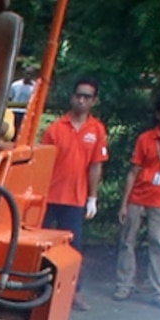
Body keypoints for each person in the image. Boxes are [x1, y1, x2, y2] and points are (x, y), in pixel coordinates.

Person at [112, 95, 160, 306]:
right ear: (158, 114)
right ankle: (124, 285)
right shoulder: (146, 138)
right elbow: (133, 171)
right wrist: (124, 203)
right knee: (127, 242)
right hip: (138, 196)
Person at [40, 79, 105, 239]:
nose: (81, 100)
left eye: (87, 97)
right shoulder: (55, 129)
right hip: (48, 196)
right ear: (72, 97)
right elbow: (43, 163)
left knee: (71, 246)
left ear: (94, 101)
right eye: (78, 96)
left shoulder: (97, 130)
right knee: (40, 243)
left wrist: (92, 197)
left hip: (76, 199)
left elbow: (96, 164)